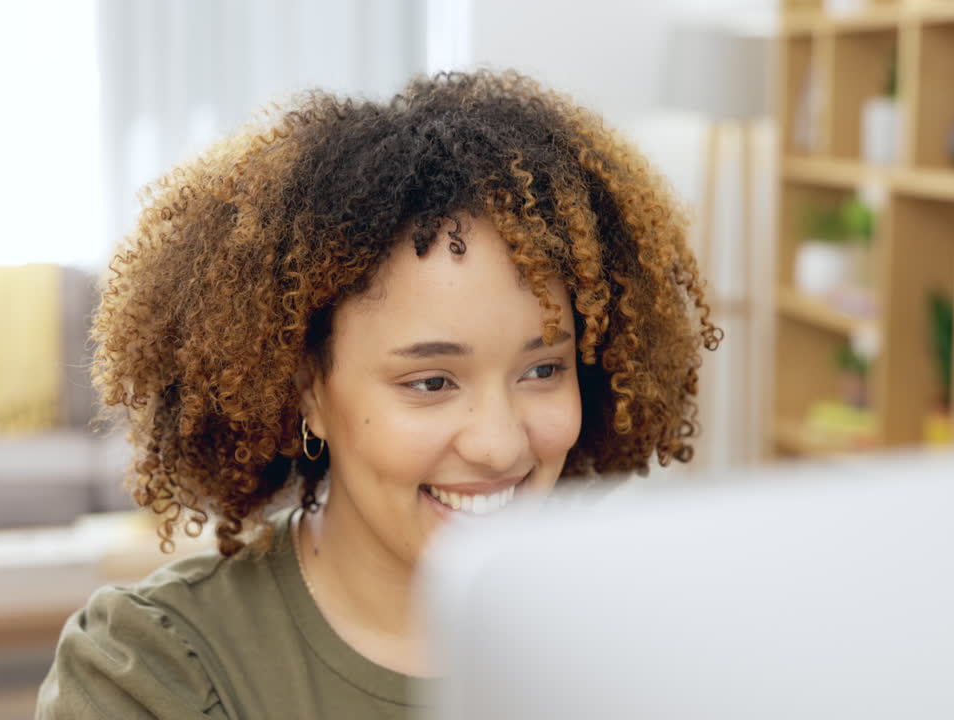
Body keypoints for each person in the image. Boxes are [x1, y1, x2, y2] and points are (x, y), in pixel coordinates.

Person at [36, 70, 721, 719]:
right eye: (431, 383)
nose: (501, 443)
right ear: (305, 390)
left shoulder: (650, 640)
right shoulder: (153, 669)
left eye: (542, 370)